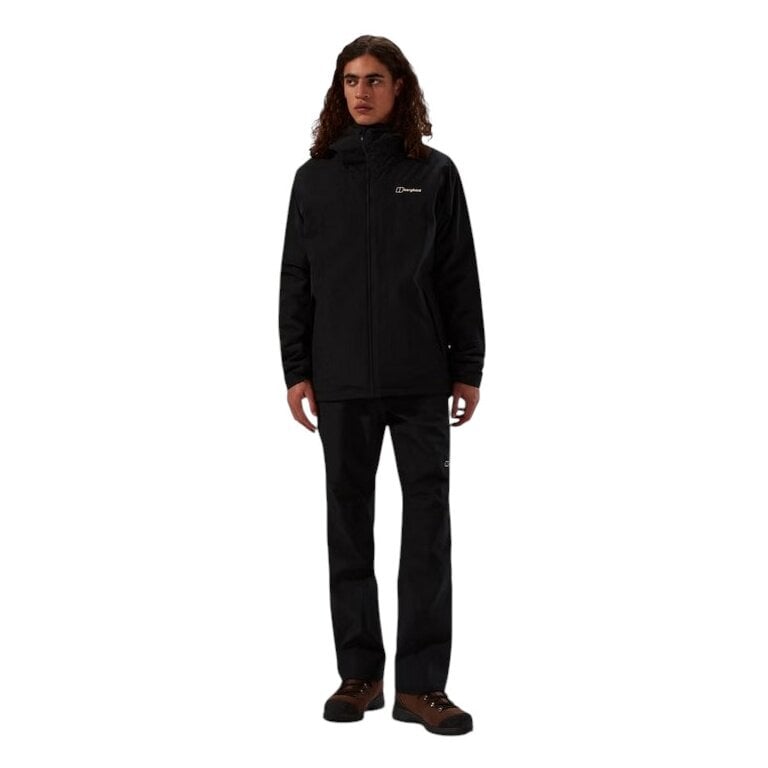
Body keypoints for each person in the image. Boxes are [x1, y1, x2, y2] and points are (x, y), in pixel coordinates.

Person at [278, 34, 485, 736]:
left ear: (400, 88)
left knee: (427, 533)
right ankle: (360, 675)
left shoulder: (434, 173)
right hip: (339, 382)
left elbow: (458, 273)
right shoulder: (314, 178)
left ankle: (422, 687)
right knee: (348, 530)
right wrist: (297, 370)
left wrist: (467, 366)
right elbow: (296, 278)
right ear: (339, 91)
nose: (361, 92)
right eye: (350, 80)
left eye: (374, 79)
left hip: (420, 377)